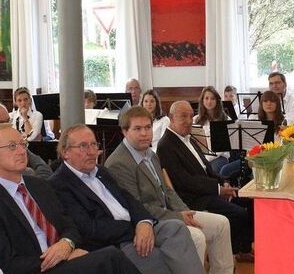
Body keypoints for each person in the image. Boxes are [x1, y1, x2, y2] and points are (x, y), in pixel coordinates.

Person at [0, 124, 140, 274]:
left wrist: (67, 243)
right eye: (12, 146)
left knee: (110, 257)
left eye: (23, 144)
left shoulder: (39, 186)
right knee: (111, 258)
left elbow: (69, 226)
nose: (22, 151)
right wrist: (60, 258)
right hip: (38, 268)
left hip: (66, 258)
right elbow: (6, 263)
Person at [50, 124, 203, 274]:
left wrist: (144, 222)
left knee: (176, 228)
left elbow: (129, 200)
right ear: (65, 152)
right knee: (156, 257)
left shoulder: (101, 171)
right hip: (115, 242)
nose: (92, 152)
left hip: (136, 227)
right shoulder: (59, 184)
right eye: (83, 146)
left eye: (94, 145)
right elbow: (89, 228)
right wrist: (135, 229)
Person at [105, 107, 234, 274]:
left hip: (170, 214)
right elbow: (136, 207)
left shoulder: (150, 154)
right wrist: (178, 216)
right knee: (196, 237)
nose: (144, 133)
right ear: (124, 131)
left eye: (148, 127)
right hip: (147, 223)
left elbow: (166, 189)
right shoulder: (119, 163)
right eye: (137, 129)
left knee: (221, 224)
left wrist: (184, 211)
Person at [157, 101, 254, 262]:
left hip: (207, 191)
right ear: (171, 118)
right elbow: (184, 181)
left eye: (190, 116)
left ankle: (242, 248)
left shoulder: (189, 138)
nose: (189, 121)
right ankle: (231, 252)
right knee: (239, 214)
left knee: (252, 203)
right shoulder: (165, 145)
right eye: (183, 117)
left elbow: (207, 168)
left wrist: (223, 183)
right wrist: (217, 190)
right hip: (195, 198)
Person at [193, 86, 230, 173]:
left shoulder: (225, 119)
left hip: (220, 157)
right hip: (201, 157)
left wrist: (206, 159)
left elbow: (221, 150)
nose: (209, 101)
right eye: (206, 98)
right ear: (202, 100)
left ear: (217, 101)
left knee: (210, 171)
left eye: (212, 98)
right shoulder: (195, 119)